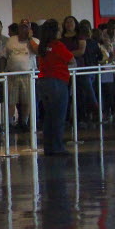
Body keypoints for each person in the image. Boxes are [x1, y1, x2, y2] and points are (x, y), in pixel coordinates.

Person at [36, 19, 72, 156]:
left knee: (49, 116)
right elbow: (71, 59)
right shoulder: (58, 45)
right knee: (58, 116)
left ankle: (49, 147)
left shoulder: (43, 46)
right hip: (58, 82)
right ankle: (58, 147)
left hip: (43, 82)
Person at [5, 18, 39, 131]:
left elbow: (37, 52)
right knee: (11, 100)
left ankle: (24, 122)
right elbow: (5, 55)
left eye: (26, 27)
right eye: (21, 27)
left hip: (28, 74)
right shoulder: (11, 40)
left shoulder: (35, 41)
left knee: (26, 100)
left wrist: (29, 38)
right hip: (12, 74)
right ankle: (9, 123)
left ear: (29, 29)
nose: (23, 29)